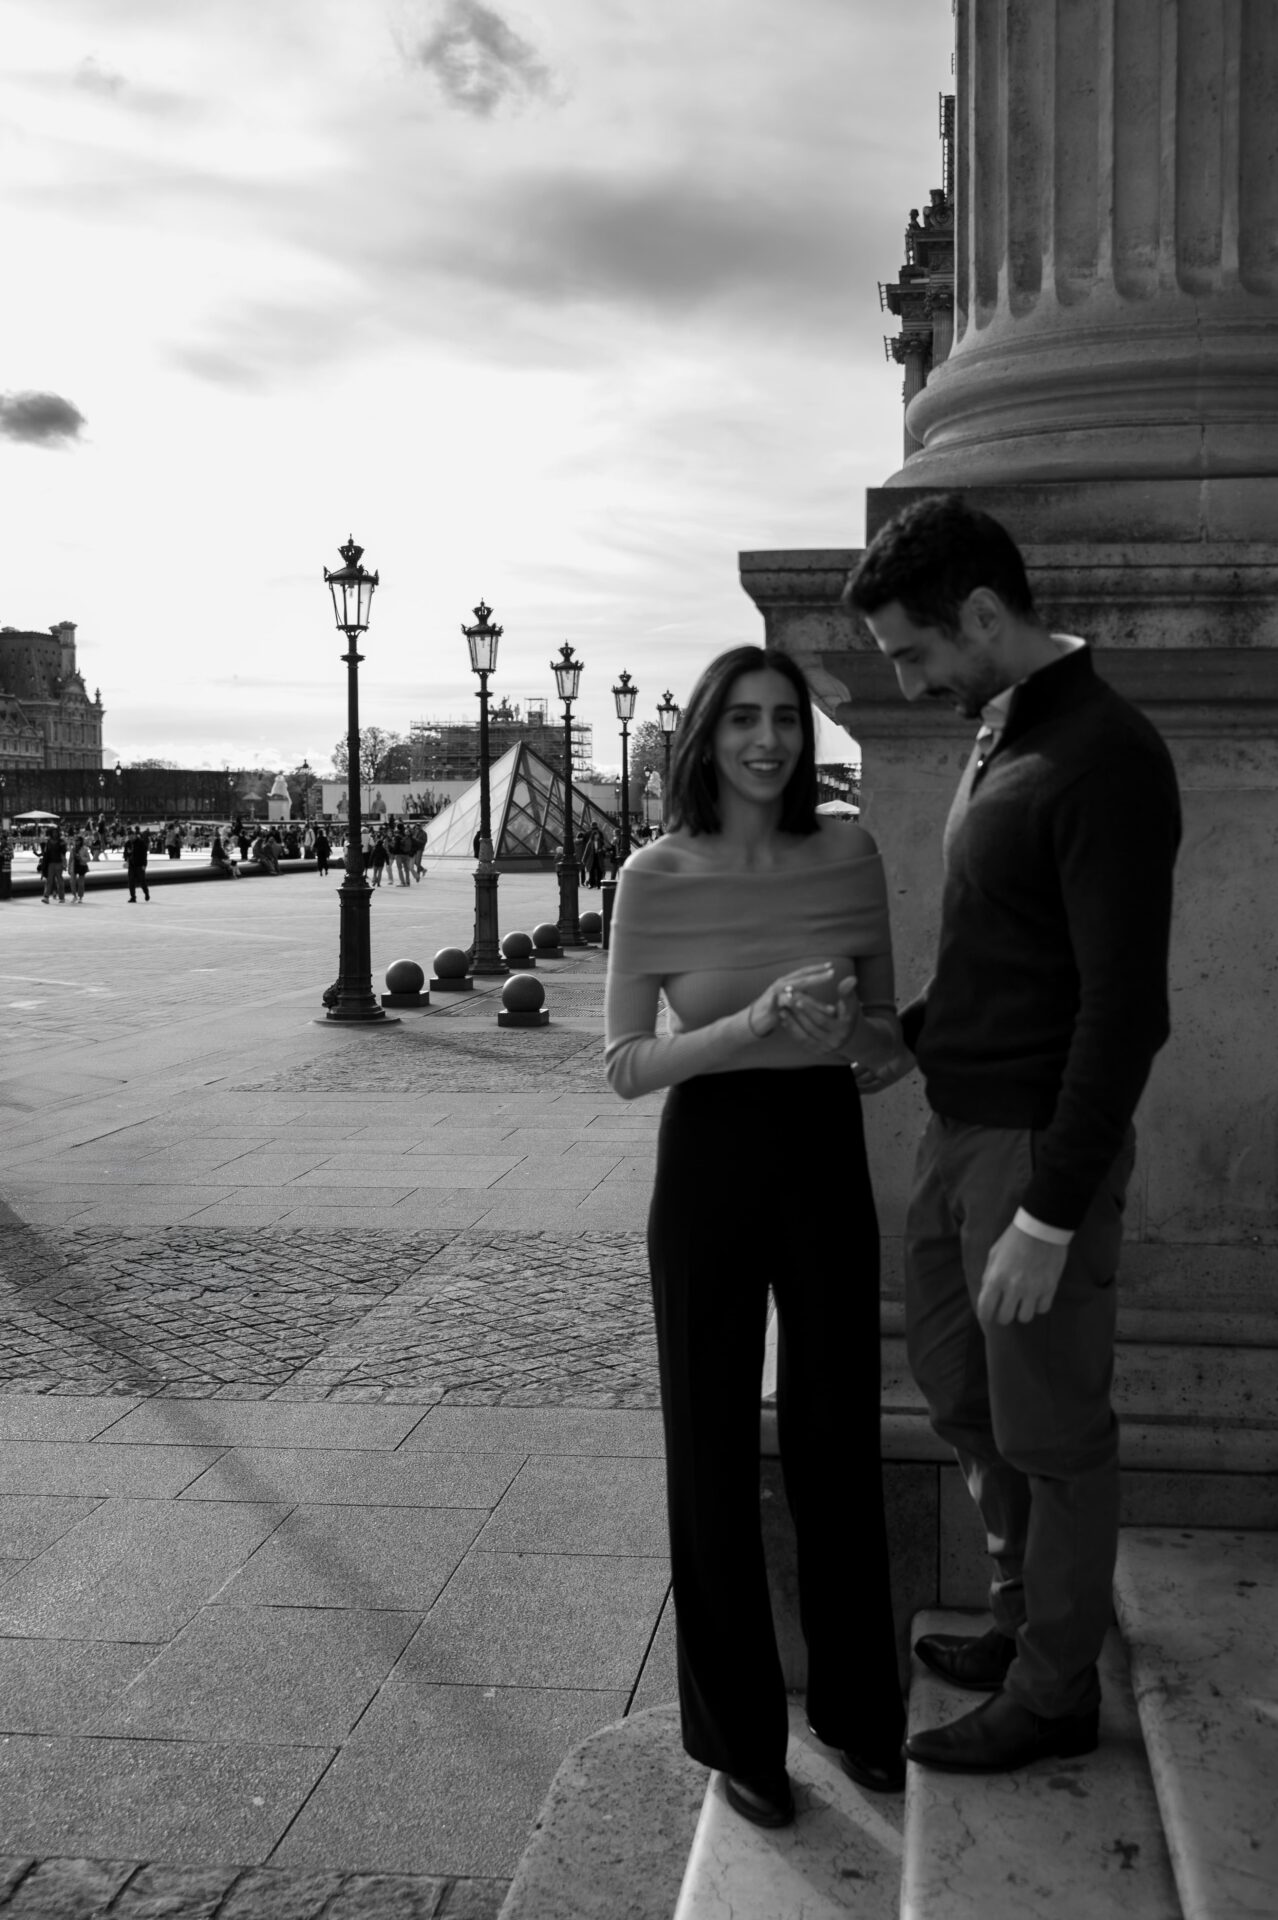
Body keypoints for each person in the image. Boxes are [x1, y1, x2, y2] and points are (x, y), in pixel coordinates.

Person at [845, 494, 1181, 1775]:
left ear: (984, 614)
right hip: (956, 1130)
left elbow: (1126, 1011)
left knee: (1052, 1429)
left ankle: (1054, 1691)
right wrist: (911, 1033)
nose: (909, 680)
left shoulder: (1106, 753)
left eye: (915, 652)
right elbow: (1004, 954)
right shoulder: (1002, 732)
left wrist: (1049, 1211)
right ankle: (1018, 1617)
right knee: (963, 1394)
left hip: (1035, 1152)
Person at [604, 644, 908, 1828]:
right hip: (710, 1154)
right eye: (743, 720)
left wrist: (855, 1032)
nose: (769, 741)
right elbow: (627, 1066)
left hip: (825, 1144)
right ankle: (741, 1739)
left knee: (841, 1435)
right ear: (705, 738)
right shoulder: (654, 873)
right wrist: (753, 1020)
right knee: (711, 1444)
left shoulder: (851, 849)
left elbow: (882, 1039)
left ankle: (860, 1714)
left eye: (786, 719)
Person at [123, 826, 150, 903]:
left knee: (142, 882)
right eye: (129, 837)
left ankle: (146, 893)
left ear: (134, 835)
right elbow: (125, 854)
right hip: (131, 865)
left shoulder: (141, 843)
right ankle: (133, 897)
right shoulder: (127, 844)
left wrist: (144, 865)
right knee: (131, 882)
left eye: (131, 836)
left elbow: (144, 855)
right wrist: (126, 858)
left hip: (139, 865)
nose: (130, 838)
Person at [40, 826, 67, 904]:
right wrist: (44, 863)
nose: (55, 834)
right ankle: (46, 897)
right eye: (53, 833)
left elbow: (63, 854)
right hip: (51, 863)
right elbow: (46, 854)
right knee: (49, 880)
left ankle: (62, 897)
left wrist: (64, 864)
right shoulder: (48, 842)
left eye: (56, 833)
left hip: (59, 863)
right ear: (51, 834)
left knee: (60, 881)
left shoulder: (61, 842)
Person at [69, 832, 90, 903]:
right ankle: (74, 896)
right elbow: (70, 859)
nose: (76, 842)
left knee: (81, 883)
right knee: (72, 882)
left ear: (81, 841)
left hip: (82, 866)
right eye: (75, 840)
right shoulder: (73, 849)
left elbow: (88, 858)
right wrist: (69, 868)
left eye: (77, 840)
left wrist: (81, 858)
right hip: (74, 866)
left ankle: (80, 897)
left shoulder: (84, 849)